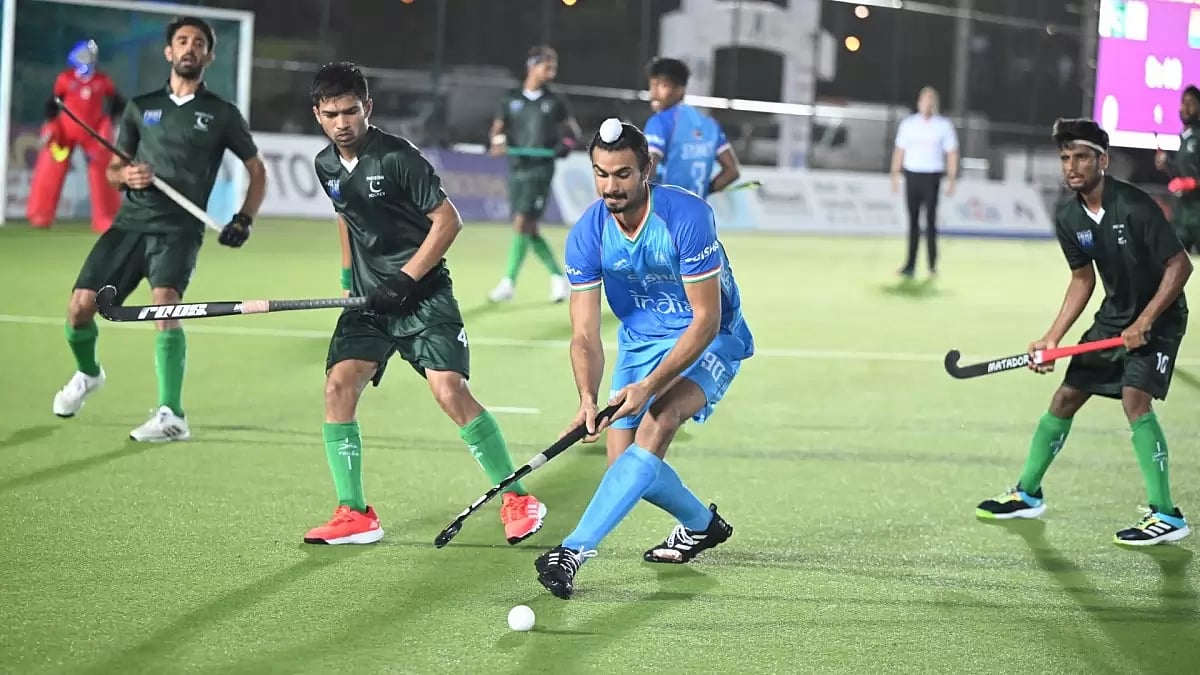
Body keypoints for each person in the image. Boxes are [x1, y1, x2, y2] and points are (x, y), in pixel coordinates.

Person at [304, 62, 546, 546]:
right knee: (338, 386)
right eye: (332, 114)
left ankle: (518, 497)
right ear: (318, 115)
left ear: (367, 108)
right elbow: (344, 217)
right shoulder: (325, 164)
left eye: (351, 111)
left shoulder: (397, 158)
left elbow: (448, 221)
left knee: (448, 391)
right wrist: (349, 280)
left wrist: (406, 278)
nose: (342, 123)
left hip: (423, 293)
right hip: (370, 299)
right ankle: (355, 513)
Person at [533, 118, 754, 599]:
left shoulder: (687, 216)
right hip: (641, 340)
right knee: (625, 466)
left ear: (646, 169)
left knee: (660, 415)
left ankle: (572, 551)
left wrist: (649, 386)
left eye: (622, 174)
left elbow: (706, 319)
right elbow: (586, 334)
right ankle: (701, 525)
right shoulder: (588, 234)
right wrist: (587, 399)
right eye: (601, 174)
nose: (610, 187)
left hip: (714, 336)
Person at [976, 118, 1191, 546]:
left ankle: (1167, 515)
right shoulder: (1068, 215)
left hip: (1160, 318)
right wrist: (1051, 336)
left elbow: (1180, 265)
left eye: (1080, 157)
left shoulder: (1134, 206)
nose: (1071, 166)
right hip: (1114, 316)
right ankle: (1027, 493)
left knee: (1134, 399)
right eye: (1065, 158)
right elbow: (1082, 280)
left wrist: (1145, 322)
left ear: (1103, 161)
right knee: (1066, 396)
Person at [51, 16, 268, 441]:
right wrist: (125, 177)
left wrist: (244, 218)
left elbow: (256, 170)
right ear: (169, 52)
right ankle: (88, 374)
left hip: (179, 230)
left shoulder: (221, 113)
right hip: (130, 224)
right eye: (182, 41)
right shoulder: (140, 106)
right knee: (79, 307)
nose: (189, 48)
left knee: (165, 305)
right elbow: (115, 167)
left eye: (198, 43)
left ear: (209, 56)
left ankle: (172, 415)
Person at [486, 46, 582, 304]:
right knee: (528, 226)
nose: (551, 72)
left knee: (522, 223)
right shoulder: (511, 98)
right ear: (532, 65)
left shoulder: (555, 102)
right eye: (547, 66)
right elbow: (497, 130)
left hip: (541, 169)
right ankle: (558, 278)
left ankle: (509, 283)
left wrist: (566, 146)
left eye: (554, 67)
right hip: (517, 167)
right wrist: (497, 141)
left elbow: (573, 134)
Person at [26, 39, 123, 233]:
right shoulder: (65, 79)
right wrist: (50, 125)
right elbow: (53, 104)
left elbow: (117, 102)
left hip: (92, 132)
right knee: (51, 169)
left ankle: (105, 217)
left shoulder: (102, 81)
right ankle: (40, 215)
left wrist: (109, 123)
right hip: (66, 131)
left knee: (101, 173)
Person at [643, 57, 740, 199]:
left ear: (680, 90)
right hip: (698, 214)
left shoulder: (660, 122)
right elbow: (732, 172)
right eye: (652, 85)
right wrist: (702, 192)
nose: (654, 93)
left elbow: (647, 170)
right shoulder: (710, 125)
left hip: (668, 214)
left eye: (662, 86)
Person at [890, 86, 959, 278]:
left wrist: (952, 177)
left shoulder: (943, 126)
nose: (927, 104)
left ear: (934, 104)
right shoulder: (908, 124)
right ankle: (910, 265)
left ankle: (932, 264)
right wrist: (895, 174)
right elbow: (899, 150)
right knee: (912, 222)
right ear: (919, 102)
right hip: (912, 175)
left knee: (930, 221)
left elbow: (951, 152)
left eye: (931, 101)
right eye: (924, 100)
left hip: (932, 176)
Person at [1156, 85, 1200, 254]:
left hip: (1197, 215)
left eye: (1191, 103)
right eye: (1183, 102)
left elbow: (1187, 180)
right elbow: (1179, 176)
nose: (1185, 108)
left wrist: (1189, 183)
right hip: (1183, 214)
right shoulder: (1184, 138)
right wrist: (1166, 165)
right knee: (1174, 262)